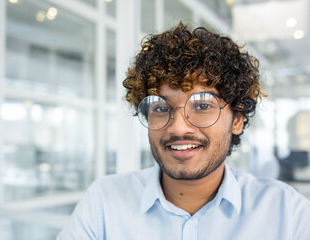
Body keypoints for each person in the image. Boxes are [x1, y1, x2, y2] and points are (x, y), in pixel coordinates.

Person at [57, 22, 310, 239]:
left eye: (202, 105)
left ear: (237, 119)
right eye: (160, 108)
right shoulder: (104, 203)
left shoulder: (286, 213)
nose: (178, 127)